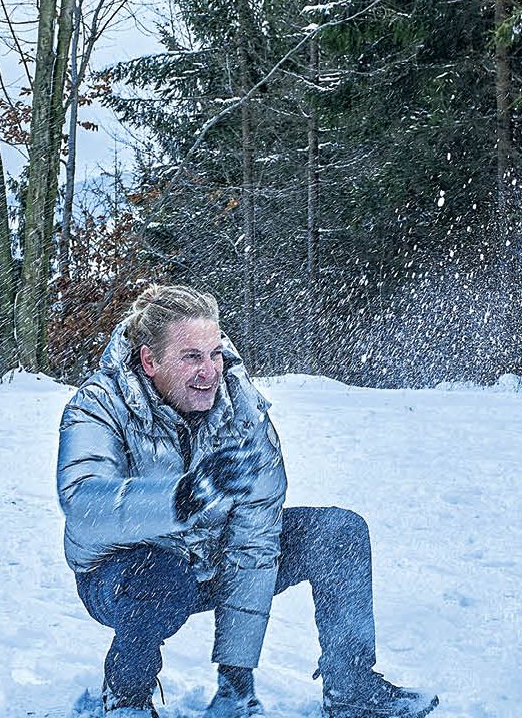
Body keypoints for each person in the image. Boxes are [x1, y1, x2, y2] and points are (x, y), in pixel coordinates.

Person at [57, 285, 438, 718]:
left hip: (211, 559)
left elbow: (255, 542)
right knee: (159, 574)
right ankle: (126, 698)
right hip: (120, 576)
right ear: (150, 361)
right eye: (190, 357)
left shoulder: (242, 411)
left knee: (338, 534)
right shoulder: (98, 405)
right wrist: (183, 497)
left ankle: (351, 689)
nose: (209, 371)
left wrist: (235, 679)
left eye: (214, 353)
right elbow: (85, 504)